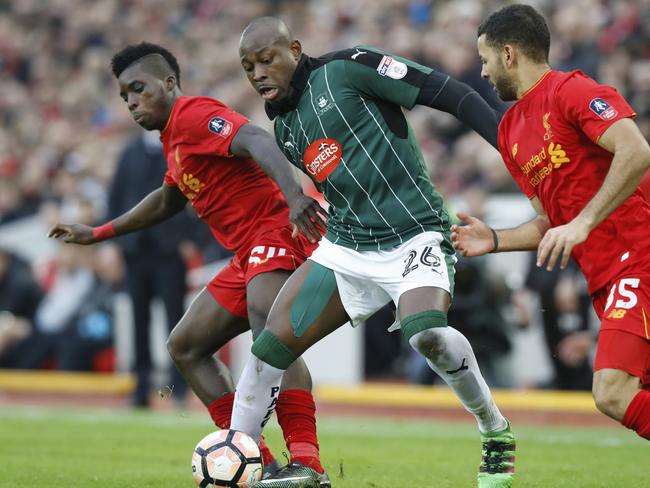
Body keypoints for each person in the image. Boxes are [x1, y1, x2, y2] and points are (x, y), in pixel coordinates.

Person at [232, 17, 516, 488]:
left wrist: (511, 145)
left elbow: (451, 94)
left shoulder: (350, 67)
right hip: (347, 246)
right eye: (248, 67)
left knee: (427, 336)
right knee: (266, 353)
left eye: (267, 60)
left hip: (416, 232)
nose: (259, 73)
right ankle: (238, 461)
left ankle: (495, 431)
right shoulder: (284, 127)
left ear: (295, 50)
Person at [47, 42, 331, 482]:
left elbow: (255, 137)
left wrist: (295, 197)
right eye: (125, 96)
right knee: (185, 346)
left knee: (269, 329)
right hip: (247, 254)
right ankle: (261, 460)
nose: (131, 103)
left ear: (170, 82)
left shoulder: (196, 115)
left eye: (138, 89)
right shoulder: (172, 141)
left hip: (276, 231)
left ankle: (307, 464)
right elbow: (167, 200)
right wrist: (98, 233)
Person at [452, 4, 650, 441]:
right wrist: (496, 239)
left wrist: (583, 223)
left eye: (484, 60)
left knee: (613, 392)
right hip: (607, 275)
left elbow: (636, 150)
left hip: (639, 257)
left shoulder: (572, 91)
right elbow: (550, 221)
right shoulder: (508, 134)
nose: (482, 73)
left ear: (508, 54)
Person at [108, 130, 192, 407]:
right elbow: (116, 197)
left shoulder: (176, 147)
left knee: (174, 320)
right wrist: (115, 243)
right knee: (139, 320)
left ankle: (177, 386)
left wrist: (189, 239)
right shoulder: (129, 152)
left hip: (169, 250)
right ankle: (141, 385)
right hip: (136, 251)